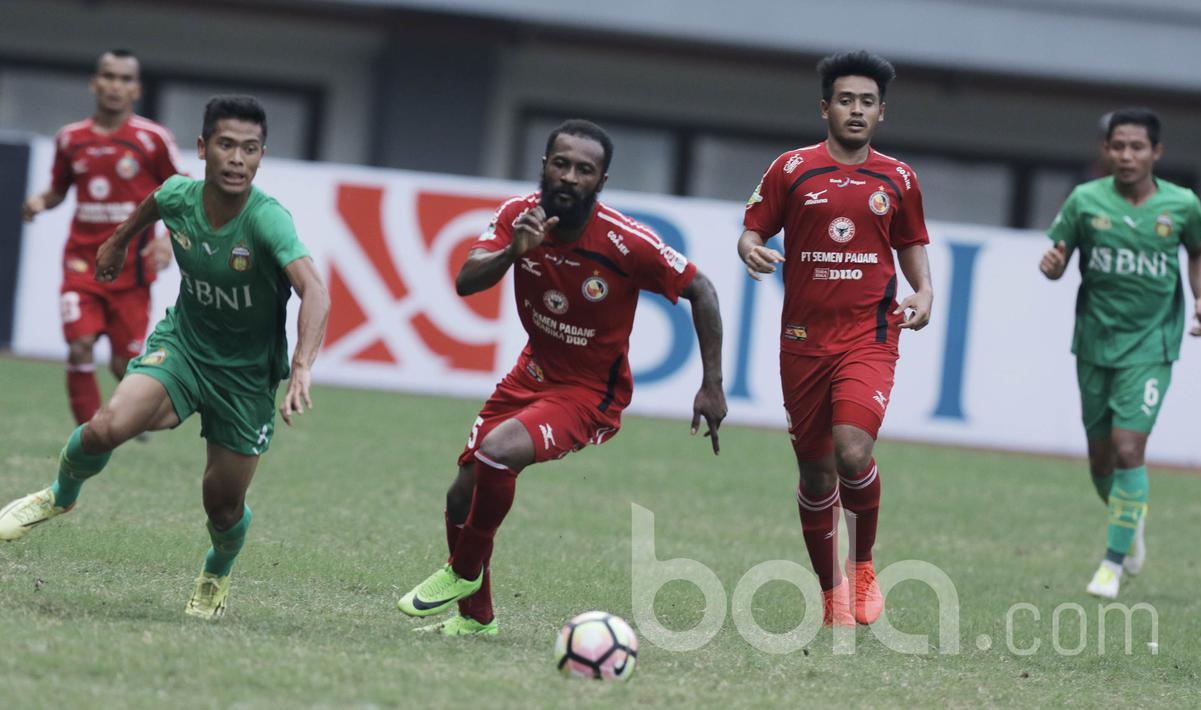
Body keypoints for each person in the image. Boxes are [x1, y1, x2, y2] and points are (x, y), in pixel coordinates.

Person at [0, 96, 331, 620]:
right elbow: (155, 201)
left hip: (245, 380)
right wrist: (117, 243)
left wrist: (304, 366)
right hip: (183, 349)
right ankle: (59, 495)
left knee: (222, 507)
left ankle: (216, 571)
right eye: (226, 145)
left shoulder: (267, 221)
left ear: (261, 156)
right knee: (107, 426)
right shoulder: (180, 194)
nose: (237, 159)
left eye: (249, 149)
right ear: (202, 148)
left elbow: (315, 289)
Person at [397, 119, 727, 636]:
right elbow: (466, 281)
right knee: (461, 493)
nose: (570, 177)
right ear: (544, 166)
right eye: (562, 164)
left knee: (497, 452)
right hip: (531, 372)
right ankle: (476, 620)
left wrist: (712, 384)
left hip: (589, 393)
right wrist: (514, 252)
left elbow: (701, 289)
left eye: (584, 170)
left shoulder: (626, 242)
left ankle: (463, 571)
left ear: (602, 181)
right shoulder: (517, 216)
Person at [738, 51, 933, 626]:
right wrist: (750, 249)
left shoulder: (899, 178)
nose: (856, 110)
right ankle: (831, 594)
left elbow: (911, 241)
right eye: (846, 100)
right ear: (825, 108)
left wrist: (924, 291)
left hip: (870, 335)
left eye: (867, 102)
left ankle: (863, 565)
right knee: (817, 472)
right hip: (802, 340)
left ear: (881, 113)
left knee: (852, 451)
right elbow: (752, 229)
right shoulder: (791, 168)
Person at [1039, 107, 1201, 600]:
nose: (1127, 155)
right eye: (1118, 146)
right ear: (1105, 150)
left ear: (1156, 152)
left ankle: (1111, 566)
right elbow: (1057, 259)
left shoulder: (1182, 205)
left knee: (1129, 448)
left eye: (1137, 147)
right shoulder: (1085, 200)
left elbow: (1198, 252)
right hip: (1094, 343)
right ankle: (1130, 521)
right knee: (1101, 462)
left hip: (1153, 345)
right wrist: (1052, 265)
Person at [22, 49, 181, 425]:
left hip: (132, 270)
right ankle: (90, 437)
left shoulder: (153, 138)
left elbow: (181, 191)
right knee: (80, 347)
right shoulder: (70, 138)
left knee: (125, 364)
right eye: (108, 76)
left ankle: (138, 415)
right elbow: (58, 190)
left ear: (136, 89)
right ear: (94, 83)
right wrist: (39, 201)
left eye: (125, 79)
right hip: (82, 264)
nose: (115, 85)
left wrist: (166, 240)